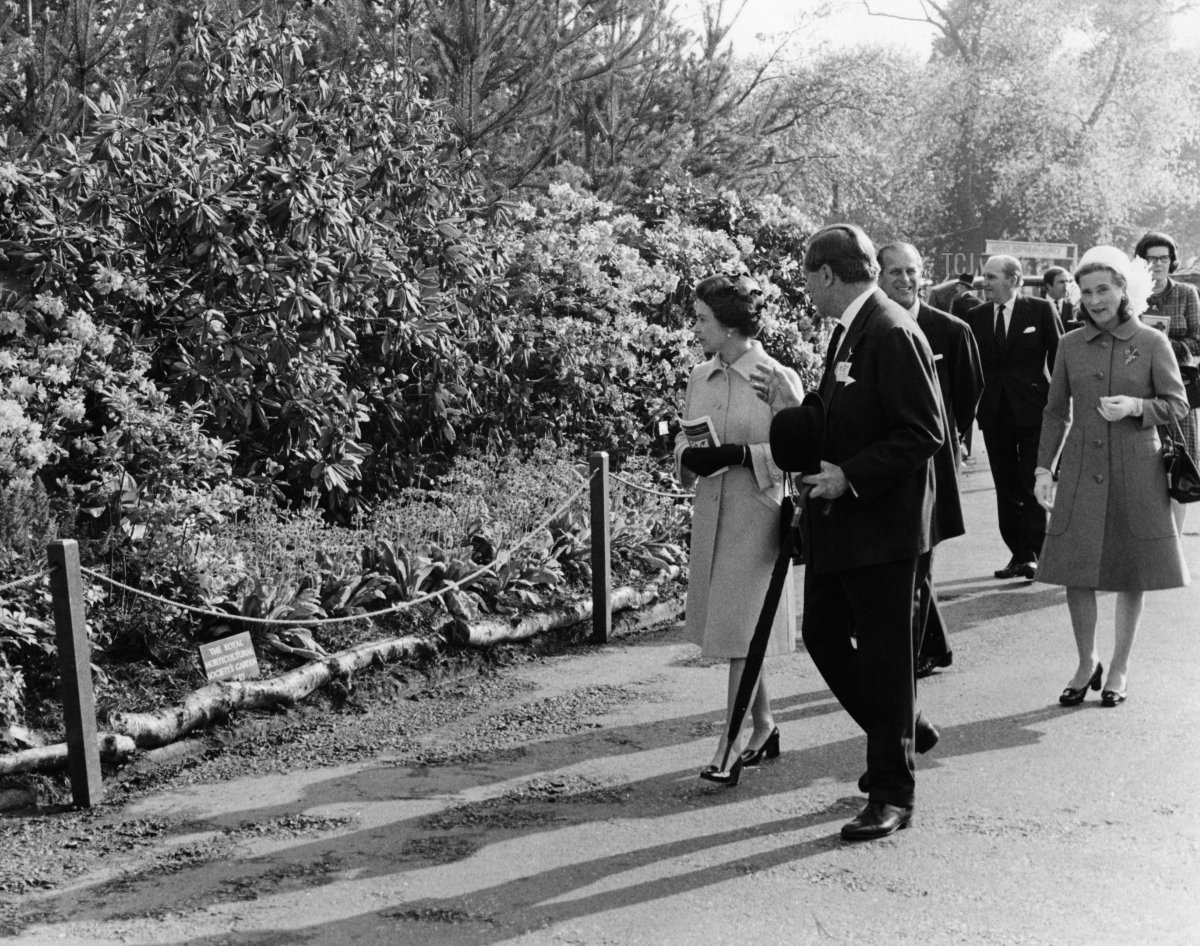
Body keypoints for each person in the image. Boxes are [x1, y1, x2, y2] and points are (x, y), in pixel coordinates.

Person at [754, 225, 944, 841]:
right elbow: (843, 416)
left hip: (883, 528)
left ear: (828, 274)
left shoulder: (890, 330)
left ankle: (892, 793)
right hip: (847, 527)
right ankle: (902, 730)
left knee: (886, 661)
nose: (806, 289)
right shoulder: (849, 329)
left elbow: (924, 432)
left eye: (808, 278)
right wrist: (796, 406)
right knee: (823, 633)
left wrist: (849, 477)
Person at [1034, 246, 1189, 707]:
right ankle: (1087, 662)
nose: (1095, 300)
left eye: (1103, 289)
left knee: (1131, 572)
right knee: (1076, 571)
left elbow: (1178, 404)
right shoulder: (1069, 344)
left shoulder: (1152, 341)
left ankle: (1119, 667)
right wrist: (1043, 468)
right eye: (1086, 292)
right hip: (1081, 468)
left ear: (1124, 290)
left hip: (1137, 469)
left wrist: (1138, 406)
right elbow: (1055, 412)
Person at [674, 271, 803, 786]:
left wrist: (742, 455)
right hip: (712, 518)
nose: (696, 328)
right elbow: (682, 441)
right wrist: (690, 457)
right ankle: (764, 725)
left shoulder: (777, 377)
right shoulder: (698, 377)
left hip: (758, 520)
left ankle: (727, 747)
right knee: (742, 630)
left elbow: (800, 454)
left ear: (729, 326)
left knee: (739, 632)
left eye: (702, 319)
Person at [877, 242, 984, 679]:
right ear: (878, 276)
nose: (905, 280)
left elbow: (970, 391)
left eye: (912, 271)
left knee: (920, 553)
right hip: (886, 461)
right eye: (895, 272)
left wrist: (955, 438)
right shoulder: (875, 328)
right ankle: (932, 647)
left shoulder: (952, 330)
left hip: (934, 461)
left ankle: (913, 657)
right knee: (907, 559)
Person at [965, 254, 1062, 580]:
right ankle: (1019, 555)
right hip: (994, 413)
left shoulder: (1040, 309)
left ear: (1014, 279)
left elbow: (1059, 358)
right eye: (985, 276)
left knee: (1031, 480)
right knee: (1005, 486)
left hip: (1034, 410)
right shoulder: (975, 316)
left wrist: (1062, 406)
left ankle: (1034, 553)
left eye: (992, 276)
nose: (985, 282)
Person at [1134, 231, 1200, 533]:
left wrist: (1164, 345)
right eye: (1151, 259)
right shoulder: (1131, 293)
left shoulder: (1186, 294)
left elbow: (1198, 340)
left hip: (1177, 391)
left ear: (1172, 261)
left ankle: (1173, 544)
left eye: (1163, 258)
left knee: (1179, 468)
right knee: (1143, 468)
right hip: (1139, 390)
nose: (1157, 264)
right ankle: (1148, 542)